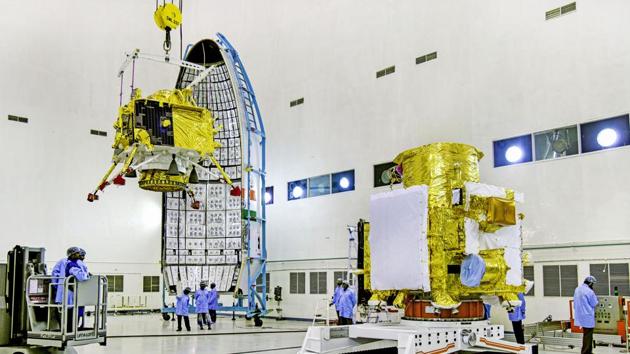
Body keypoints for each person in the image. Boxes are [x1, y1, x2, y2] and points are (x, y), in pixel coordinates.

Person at [62, 250, 90, 332]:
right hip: (71, 292)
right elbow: (82, 277)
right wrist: (87, 275)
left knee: (76, 311)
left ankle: (74, 328)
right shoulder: (72, 264)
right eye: (78, 253)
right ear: (72, 254)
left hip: (76, 292)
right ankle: (70, 330)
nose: (81, 256)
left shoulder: (76, 264)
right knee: (71, 311)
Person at [574, 276, 598, 354]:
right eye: (592, 284)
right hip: (587, 317)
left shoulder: (577, 289)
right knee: (588, 335)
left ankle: (589, 351)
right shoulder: (589, 291)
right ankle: (585, 352)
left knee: (587, 334)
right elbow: (594, 303)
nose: (593, 286)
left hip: (580, 316)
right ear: (590, 283)